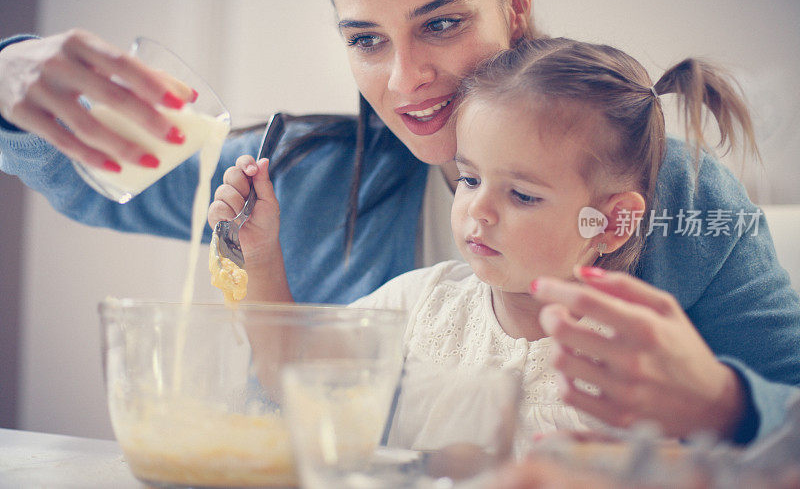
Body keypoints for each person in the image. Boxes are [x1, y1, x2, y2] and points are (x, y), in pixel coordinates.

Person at [0, 0, 798, 443]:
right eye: (366, 39)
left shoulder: (682, 196)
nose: (404, 78)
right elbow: (85, 174)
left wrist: (724, 402)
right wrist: (12, 73)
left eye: (441, 23)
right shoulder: (301, 179)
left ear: (514, 6)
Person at [213, 36, 765, 445]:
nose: (478, 208)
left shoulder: (634, 360)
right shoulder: (422, 303)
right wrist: (261, 257)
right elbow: (290, 376)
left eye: (522, 195)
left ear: (611, 223)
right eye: (470, 178)